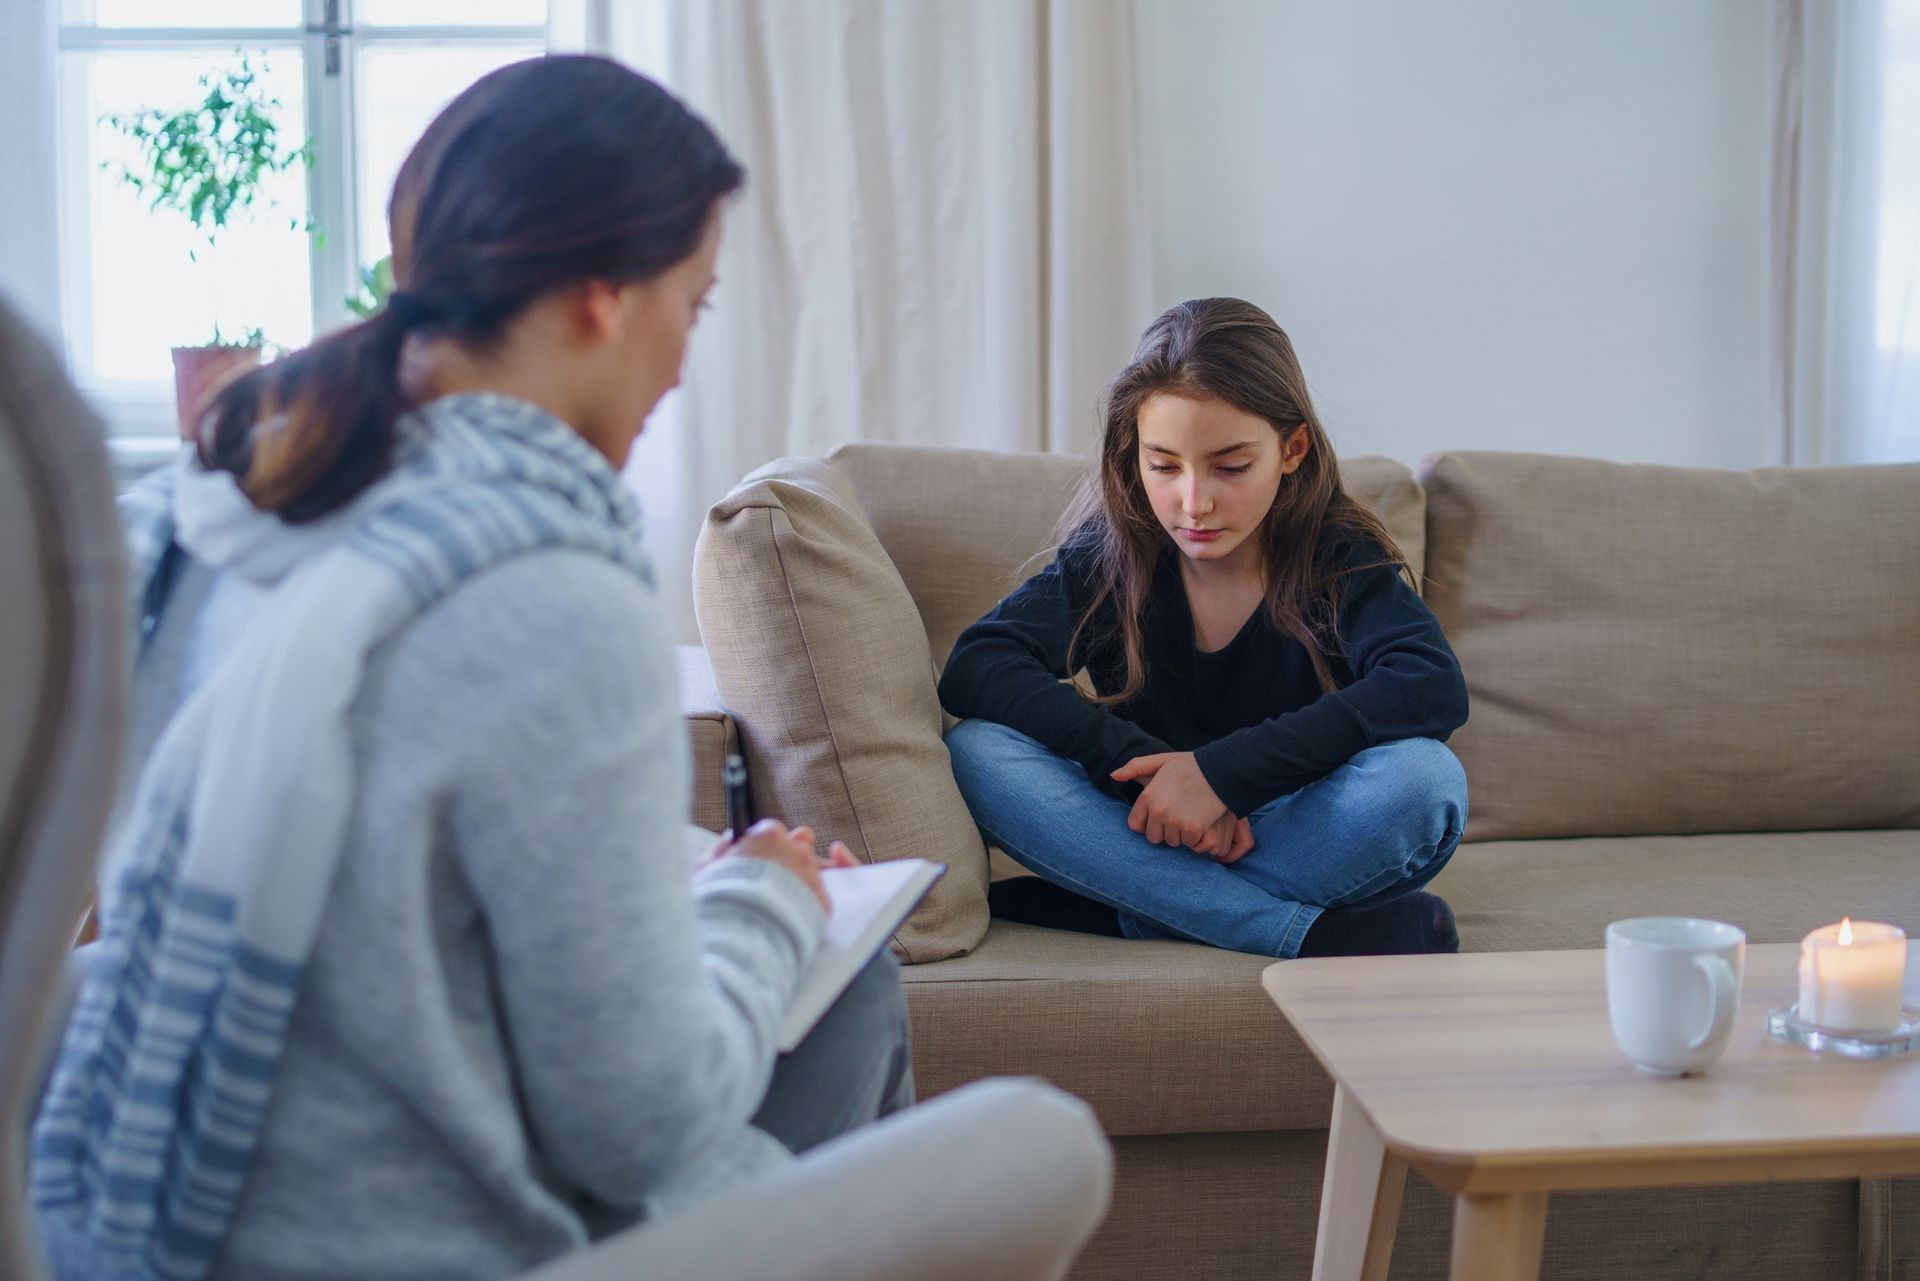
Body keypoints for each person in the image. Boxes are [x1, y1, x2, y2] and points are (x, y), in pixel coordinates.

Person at [31, 56, 914, 1281]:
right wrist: (761, 901)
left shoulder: (205, 518)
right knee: (855, 987)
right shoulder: (554, 597)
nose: (677, 365)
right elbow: (636, 1126)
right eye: (692, 308)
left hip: (118, 1210)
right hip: (404, 1244)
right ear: (606, 295)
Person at [939, 297, 1470, 959]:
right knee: (978, 752)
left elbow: (1429, 684)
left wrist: (1222, 778)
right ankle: (1295, 934)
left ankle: (1133, 905)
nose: (1193, 503)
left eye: (1230, 466)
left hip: (1290, 827)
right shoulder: (1116, 549)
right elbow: (979, 662)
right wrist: (1147, 778)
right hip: (1141, 824)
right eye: (1164, 466)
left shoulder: (1335, 552)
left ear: (1292, 448)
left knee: (1425, 781)